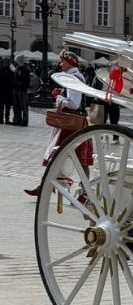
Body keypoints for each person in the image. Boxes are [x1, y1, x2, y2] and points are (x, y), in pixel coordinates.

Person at [24, 49, 90, 197]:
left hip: (72, 122)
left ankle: (48, 187)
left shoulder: (73, 77)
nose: (60, 64)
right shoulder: (74, 75)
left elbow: (74, 104)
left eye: (62, 61)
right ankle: (82, 192)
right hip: (75, 121)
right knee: (80, 160)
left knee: (59, 155)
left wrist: (60, 97)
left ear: (69, 62)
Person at [12, 58, 31, 126]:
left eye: (16, 62)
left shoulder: (25, 70)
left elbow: (26, 81)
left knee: (23, 106)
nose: (15, 63)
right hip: (17, 90)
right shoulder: (17, 69)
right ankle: (17, 119)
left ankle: (24, 120)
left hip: (22, 90)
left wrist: (20, 84)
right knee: (16, 105)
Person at [0, 57, 13, 125]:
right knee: (1, 106)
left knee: (8, 107)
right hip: (1, 91)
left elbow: (12, 82)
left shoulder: (10, 72)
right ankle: (1, 119)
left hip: (8, 92)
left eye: (6, 63)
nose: (5, 64)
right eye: (3, 63)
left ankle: (7, 119)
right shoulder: (0, 71)